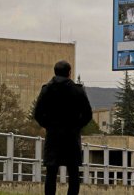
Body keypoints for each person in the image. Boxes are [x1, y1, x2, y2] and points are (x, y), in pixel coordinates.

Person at [34, 60, 92, 195]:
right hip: (71, 136)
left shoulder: (47, 89)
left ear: (55, 72)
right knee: (73, 172)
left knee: (51, 172)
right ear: (69, 73)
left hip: (53, 135)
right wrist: (77, 126)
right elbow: (88, 114)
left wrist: (48, 125)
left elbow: (37, 113)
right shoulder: (77, 90)